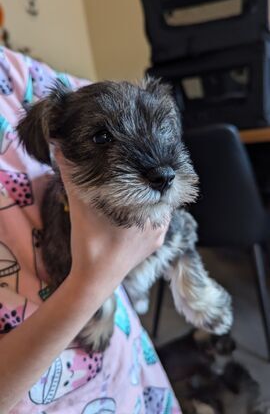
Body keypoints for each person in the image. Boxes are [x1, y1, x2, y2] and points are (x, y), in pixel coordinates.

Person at [0, 47, 181, 413]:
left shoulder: (10, 67)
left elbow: (114, 103)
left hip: (129, 371)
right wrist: (95, 281)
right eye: (101, 139)